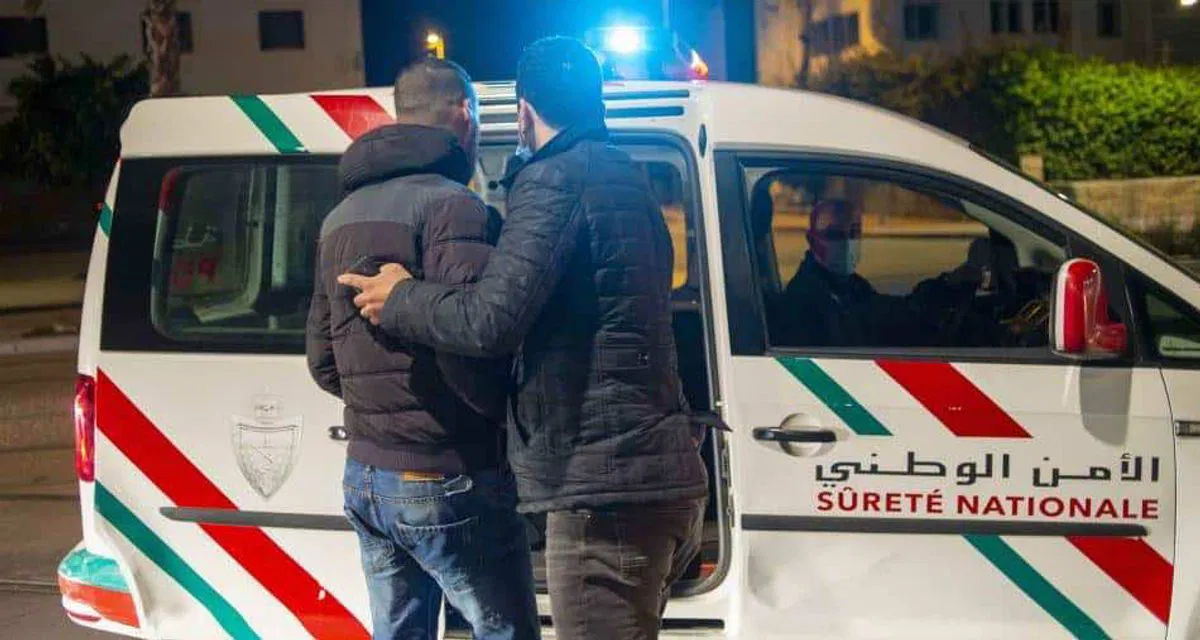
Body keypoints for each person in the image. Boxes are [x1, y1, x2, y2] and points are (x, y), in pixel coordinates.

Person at [338, 37, 709, 640]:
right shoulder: (628, 176)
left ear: (524, 113)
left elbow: (490, 320)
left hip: (602, 495)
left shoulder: (556, 180)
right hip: (653, 478)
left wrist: (401, 297)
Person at [305, 58, 539, 640]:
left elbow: (323, 361)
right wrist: (494, 424)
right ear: (465, 114)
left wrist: (381, 408)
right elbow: (476, 339)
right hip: (447, 471)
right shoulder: (454, 206)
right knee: (505, 630)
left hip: (366, 475)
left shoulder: (339, 218)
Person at [774, 198, 991, 348]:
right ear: (812, 240)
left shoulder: (849, 286)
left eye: (854, 232)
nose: (847, 242)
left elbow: (892, 312)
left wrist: (948, 285)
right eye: (834, 234)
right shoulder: (805, 300)